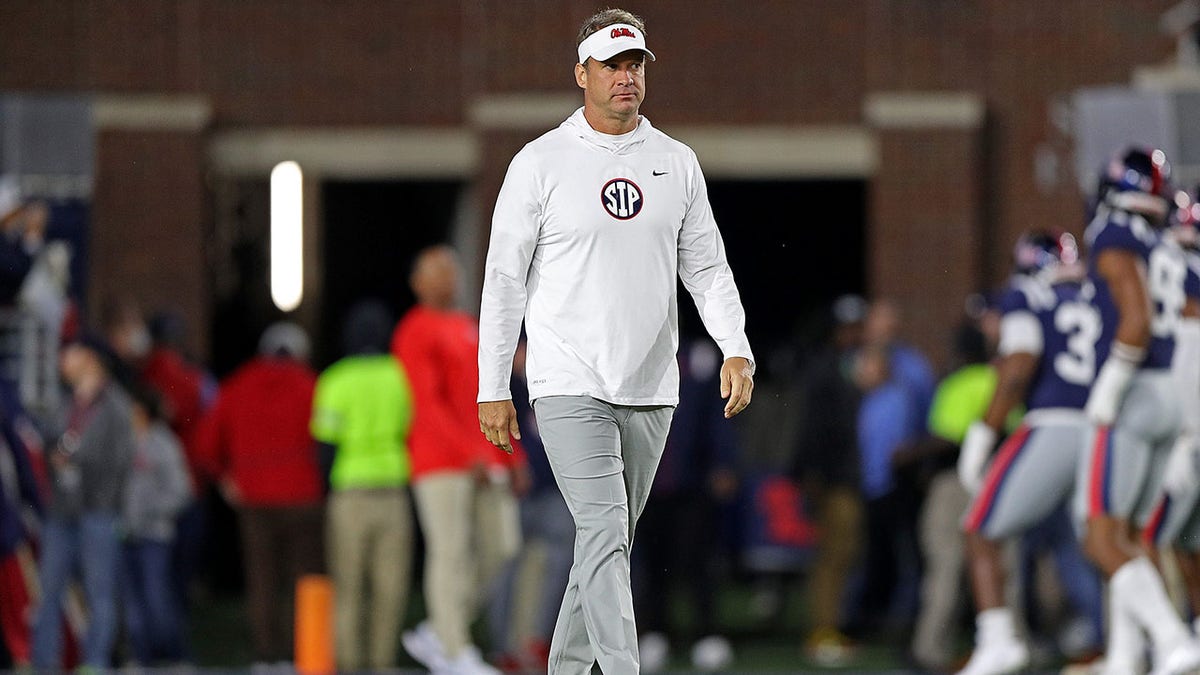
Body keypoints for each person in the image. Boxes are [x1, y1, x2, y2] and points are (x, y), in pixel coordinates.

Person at [476, 9, 755, 672]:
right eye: (612, 65)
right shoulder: (540, 163)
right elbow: (502, 279)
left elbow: (708, 267)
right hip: (568, 382)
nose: (626, 78)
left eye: (634, 66)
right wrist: (492, 386)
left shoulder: (675, 163)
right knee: (603, 530)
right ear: (582, 73)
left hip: (651, 386)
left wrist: (735, 344)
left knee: (608, 543)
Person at [1075, 147, 1200, 675]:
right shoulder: (1167, 246)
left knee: (1101, 536)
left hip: (1137, 390)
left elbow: (1135, 316)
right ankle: (1127, 657)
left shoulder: (1115, 234)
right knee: (1132, 535)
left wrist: (1114, 379)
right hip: (1172, 394)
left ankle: (1172, 640)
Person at [953, 231, 1101, 674]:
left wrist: (982, 434)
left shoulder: (1026, 295)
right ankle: (1140, 641)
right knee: (1106, 542)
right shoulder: (1096, 297)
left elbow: (1019, 363)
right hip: (1101, 429)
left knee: (979, 528)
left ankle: (997, 641)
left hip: (1052, 424)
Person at [393, 246, 527, 675]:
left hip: (485, 456)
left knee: (502, 547)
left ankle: (440, 627)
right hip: (440, 461)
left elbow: (492, 393)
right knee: (449, 551)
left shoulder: (468, 326)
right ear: (418, 283)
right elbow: (426, 403)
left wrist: (512, 455)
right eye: (438, 272)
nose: (449, 279)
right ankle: (454, 650)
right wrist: (466, 453)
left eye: (453, 270)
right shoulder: (414, 330)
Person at [193, 322, 324, 667]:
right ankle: (303, 654)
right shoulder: (311, 385)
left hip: (254, 499)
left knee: (262, 578)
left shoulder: (236, 385)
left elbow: (205, 444)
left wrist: (225, 478)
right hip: (302, 495)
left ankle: (267, 655)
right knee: (304, 579)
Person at [310, 300, 415, 672]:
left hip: (350, 493)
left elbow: (324, 446)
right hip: (393, 491)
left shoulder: (334, 380)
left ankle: (350, 666)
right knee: (390, 589)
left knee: (348, 588)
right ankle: (381, 663)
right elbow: (410, 431)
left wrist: (327, 491)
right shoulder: (400, 376)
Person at [633, 338, 740, 673]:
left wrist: (723, 463)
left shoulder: (698, 362)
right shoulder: (632, 360)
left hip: (691, 481)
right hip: (648, 482)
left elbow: (717, 411)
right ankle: (656, 633)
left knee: (698, 561)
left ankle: (707, 634)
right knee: (652, 563)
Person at [30, 334, 135, 670]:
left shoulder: (116, 406)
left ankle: (96, 661)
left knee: (99, 591)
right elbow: (48, 443)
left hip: (97, 511)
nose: (64, 360)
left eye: (71, 354)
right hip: (61, 510)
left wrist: (80, 466)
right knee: (49, 590)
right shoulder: (63, 403)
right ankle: (44, 661)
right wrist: (55, 457)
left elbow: (120, 463)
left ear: (90, 358)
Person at [789, 295, 866, 666]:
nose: (853, 334)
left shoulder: (846, 366)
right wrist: (811, 474)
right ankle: (822, 633)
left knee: (843, 554)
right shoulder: (825, 368)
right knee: (832, 557)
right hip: (831, 477)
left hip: (844, 475)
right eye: (848, 328)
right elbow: (812, 427)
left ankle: (830, 628)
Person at [121, 386, 191, 665]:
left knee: (156, 597)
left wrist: (149, 513)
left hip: (155, 534)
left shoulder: (163, 444)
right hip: (122, 534)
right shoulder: (119, 442)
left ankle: (175, 656)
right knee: (130, 604)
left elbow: (180, 491)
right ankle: (141, 657)